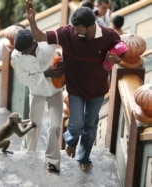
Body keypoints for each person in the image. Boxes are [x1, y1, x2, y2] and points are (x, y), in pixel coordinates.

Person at [26, 1, 125, 171]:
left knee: (91, 125)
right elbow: (41, 37)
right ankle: (71, 141)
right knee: (77, 123)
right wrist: (32, 21)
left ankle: (84, 157)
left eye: (78, 28)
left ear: (90, 26)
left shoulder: (108, 35)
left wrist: (117, 59)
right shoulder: (67, 32)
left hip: (97, 89)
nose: (75, 30)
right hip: (75, 88)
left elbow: (122, 49)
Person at [11, 29, 64, 172]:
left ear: (34, 43)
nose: (23, 54)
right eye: (21, 51)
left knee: (55, 126)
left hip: (55, 90)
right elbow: (23, 79)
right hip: (37, 91)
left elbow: (63, 56)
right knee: (33, 126)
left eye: (25, 51)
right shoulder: (16, 55)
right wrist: (44, 74)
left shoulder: (49, 45)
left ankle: (52, 160)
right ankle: (28, 155)